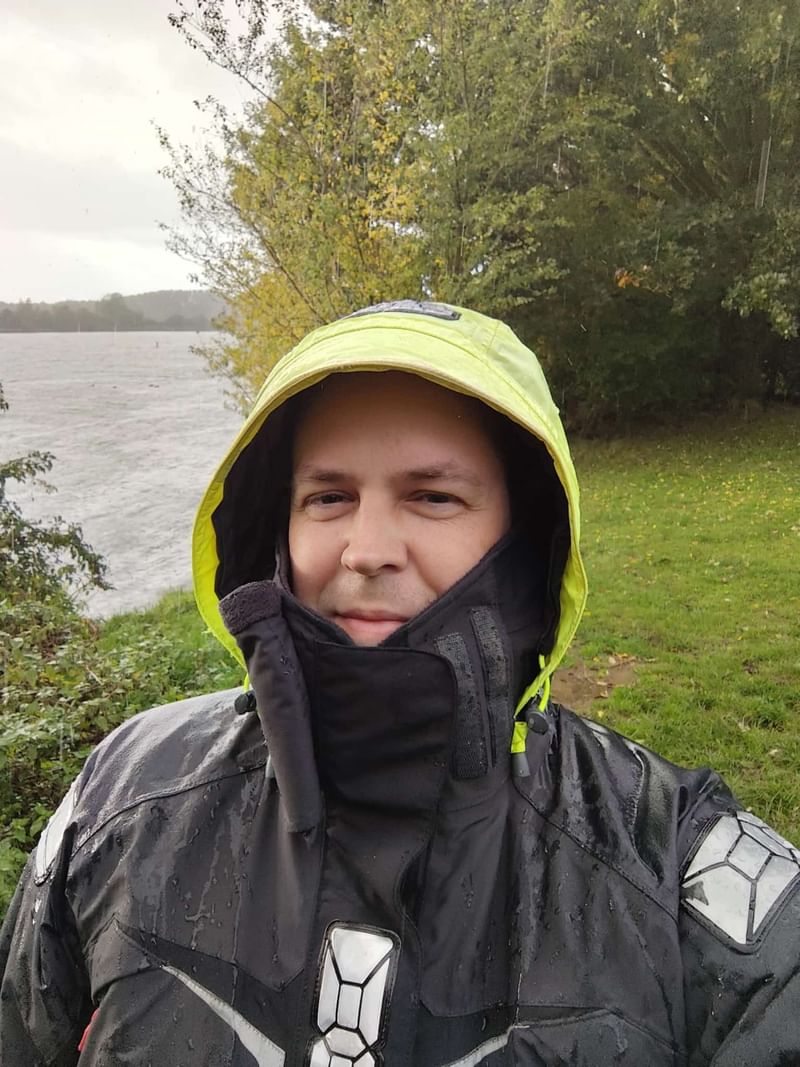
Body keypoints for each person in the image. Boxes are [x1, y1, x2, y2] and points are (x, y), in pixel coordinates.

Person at [1, 300, 798, 1066]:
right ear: (275, 525)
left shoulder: (674, 864)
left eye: (432, 496)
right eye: (329, 497)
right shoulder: (123, 801)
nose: (367, 549)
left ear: (526, 535)